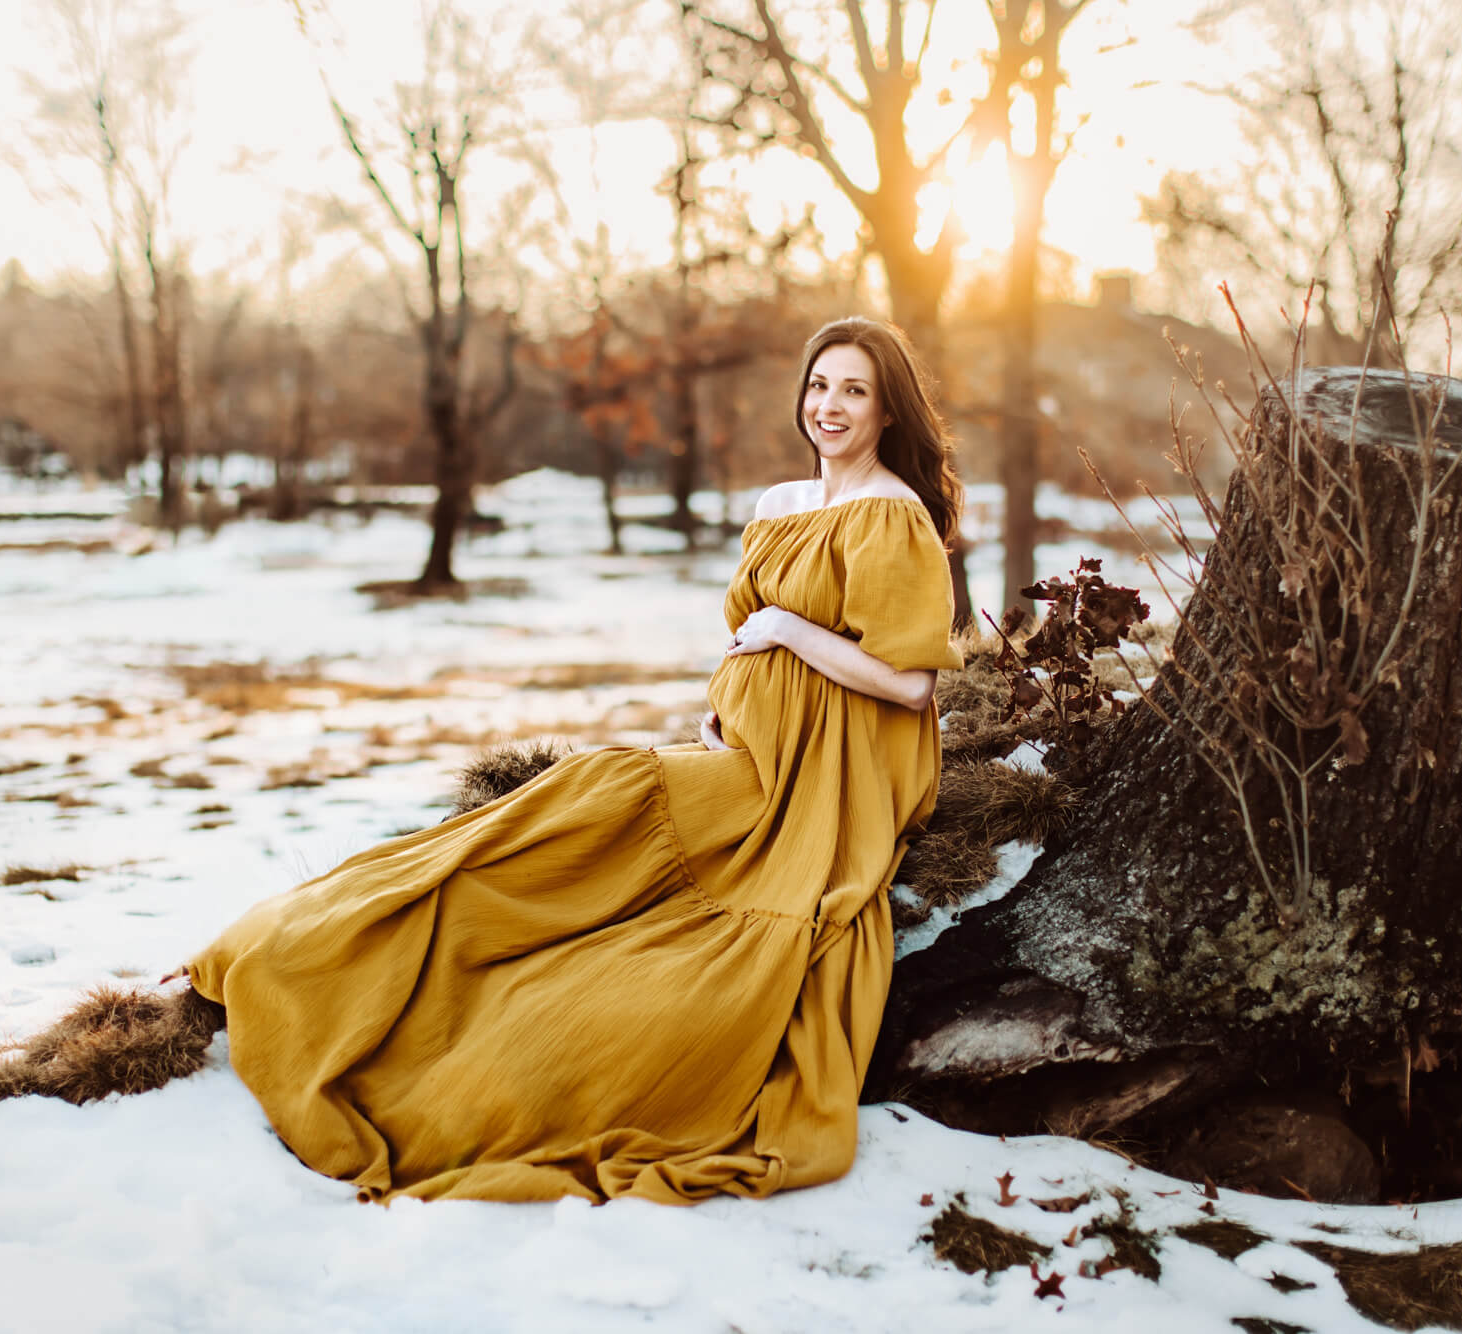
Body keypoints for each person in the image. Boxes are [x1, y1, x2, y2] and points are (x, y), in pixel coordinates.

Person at [181, 316, 964, 1205]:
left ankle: (479, 1072)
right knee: (575, 804)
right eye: (820, 385)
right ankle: (297, 952)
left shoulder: (894, 514)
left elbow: (905, 685)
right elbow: (746, 642)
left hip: (828, 783)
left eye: (855, 390)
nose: (830, 406)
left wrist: (787, 629)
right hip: (749, 750)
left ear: (888, 410)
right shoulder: (779, 505)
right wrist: (724, 705)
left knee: (614, 823)